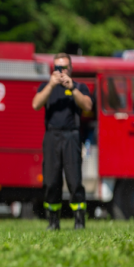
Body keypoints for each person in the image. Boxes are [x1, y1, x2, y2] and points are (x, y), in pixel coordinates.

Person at [32, 53, 93, 230]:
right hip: (52, 137)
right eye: (58, 68)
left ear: (71, 68)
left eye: (64, 67)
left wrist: (72, 88)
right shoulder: (46, 86)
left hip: (71, 137)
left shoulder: (79, 86)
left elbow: (88, 106)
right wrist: (51, 85)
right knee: (51, 181)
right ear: (53, 69)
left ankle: (79, 221)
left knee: (74, 181)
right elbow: (35, 104)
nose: (61, 71)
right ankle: (53, 221)